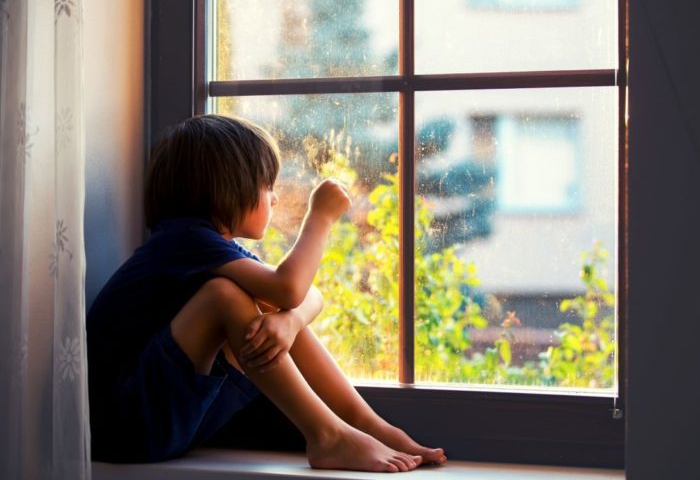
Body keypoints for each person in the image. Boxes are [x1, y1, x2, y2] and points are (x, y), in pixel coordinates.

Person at [86, 114, 446, 472]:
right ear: (228, 187)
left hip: (161, 422)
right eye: (267, 186)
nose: (274, 199)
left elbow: (304, 296)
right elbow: (290, 287)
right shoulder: (183, 239)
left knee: (258, 308)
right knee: (223, 297)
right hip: (122, 424)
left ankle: (366, 425)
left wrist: (289, 322)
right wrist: (319, 218)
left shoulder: (208, 247)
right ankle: (328, 436)